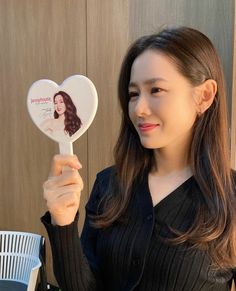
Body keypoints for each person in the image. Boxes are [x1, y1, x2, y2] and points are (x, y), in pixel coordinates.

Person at [41, 26, 236, 291]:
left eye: (156, 90)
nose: (139, 109)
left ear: (204, 96)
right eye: (133, 94)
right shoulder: (108, 184)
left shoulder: (230, 199)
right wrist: (62, 222)